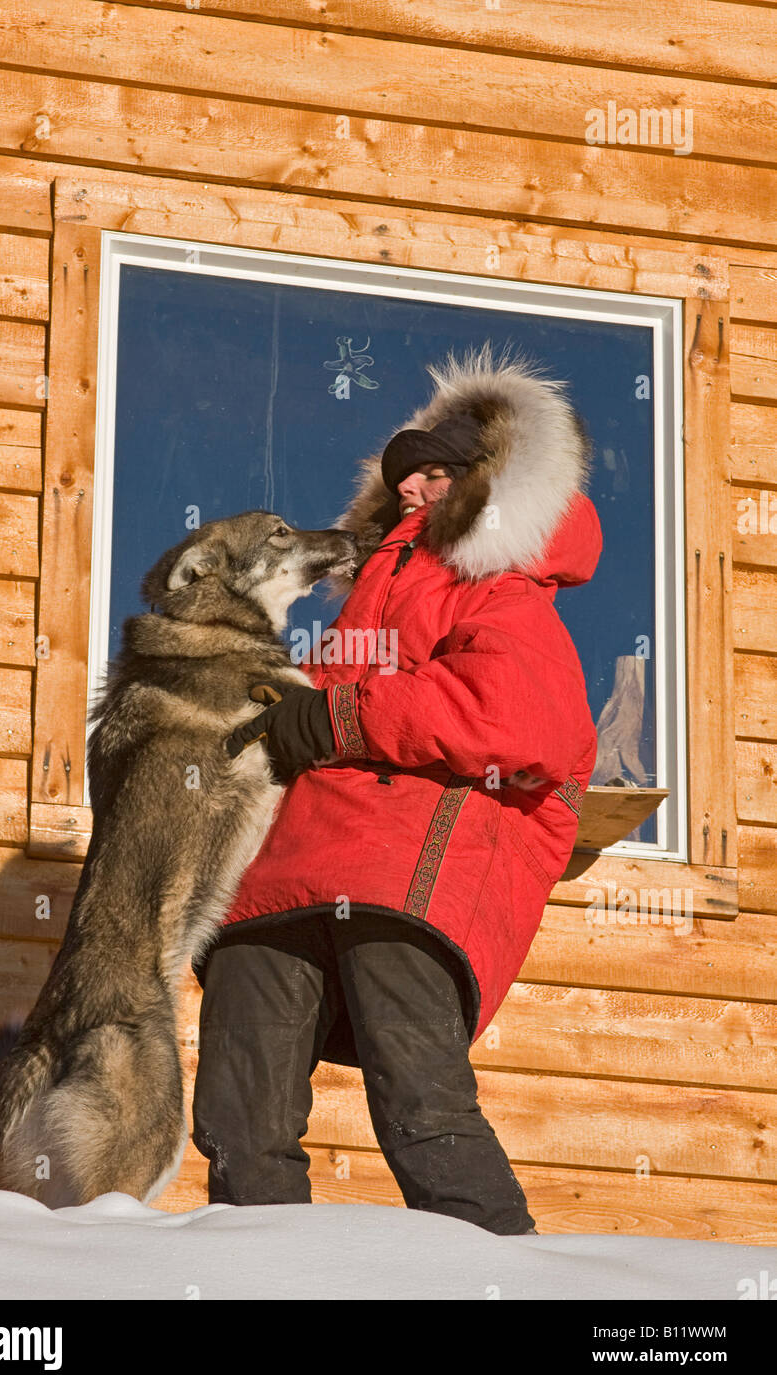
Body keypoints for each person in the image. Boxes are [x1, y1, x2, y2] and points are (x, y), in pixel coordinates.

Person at [191, 345, 603, 1235]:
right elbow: (326, 706)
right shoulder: (359, 615)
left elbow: (520, 720)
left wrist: (332, 724)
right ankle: (254, 1286)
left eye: (439, 475)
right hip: (285, 876)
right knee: (236, 1114)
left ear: (490, 487)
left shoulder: (504, 592)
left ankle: (508, 1283)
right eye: (404, 480)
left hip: (407, 867)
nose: (413, 490)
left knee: (422, 1108)